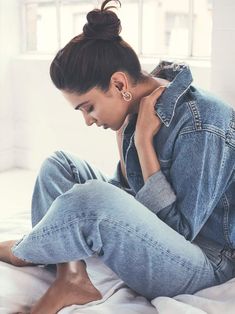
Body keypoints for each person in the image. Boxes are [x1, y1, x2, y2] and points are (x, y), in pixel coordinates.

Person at [0, 0, 235, 313]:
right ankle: (71, 275)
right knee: (60, 165)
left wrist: (142, 143)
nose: (88, 120)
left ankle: (27, 250)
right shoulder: (138, 108)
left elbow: (179, 233)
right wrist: (124, 134)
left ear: (119, 83)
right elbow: (125, 198)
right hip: (161, 238)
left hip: (203, 262)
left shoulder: (203, 123)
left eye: (89, 107)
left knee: (90, 198)